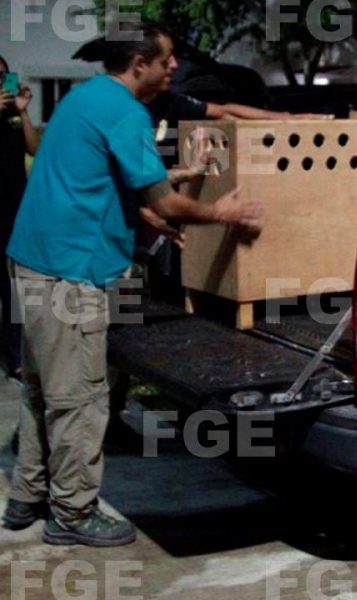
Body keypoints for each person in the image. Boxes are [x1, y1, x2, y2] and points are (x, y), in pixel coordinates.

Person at [0, 23, 262, 546]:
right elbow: (163, 200)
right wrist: (222, 213)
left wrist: (169, 190)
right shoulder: (126, 113)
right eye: (166, 59)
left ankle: (28, 495)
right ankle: (72, 513)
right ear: (139, 63)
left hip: (33, 260)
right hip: (69, 271)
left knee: (43, 388)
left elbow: (107, 177)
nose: (174, 68)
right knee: (81, 398)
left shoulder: (87, 97)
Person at [0, 55, 41, 378]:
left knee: (12, 286)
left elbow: (34, 149)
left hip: (14, 208)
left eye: (4, 76)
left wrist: (24, 111)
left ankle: (15, 357)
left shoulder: (13, 114)